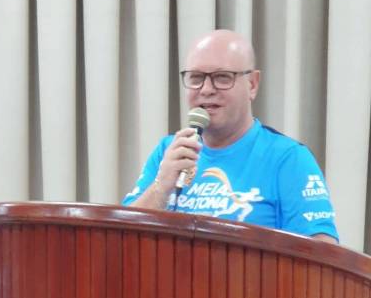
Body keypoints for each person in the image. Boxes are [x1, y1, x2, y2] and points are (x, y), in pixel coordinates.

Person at [123, 29, 338, 243]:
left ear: (252, 84)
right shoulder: (170, 150)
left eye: (222, 77)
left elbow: (322, 251)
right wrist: (161, 187)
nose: (206, 89)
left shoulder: (288, 158)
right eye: (196, 78)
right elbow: (121, 236)